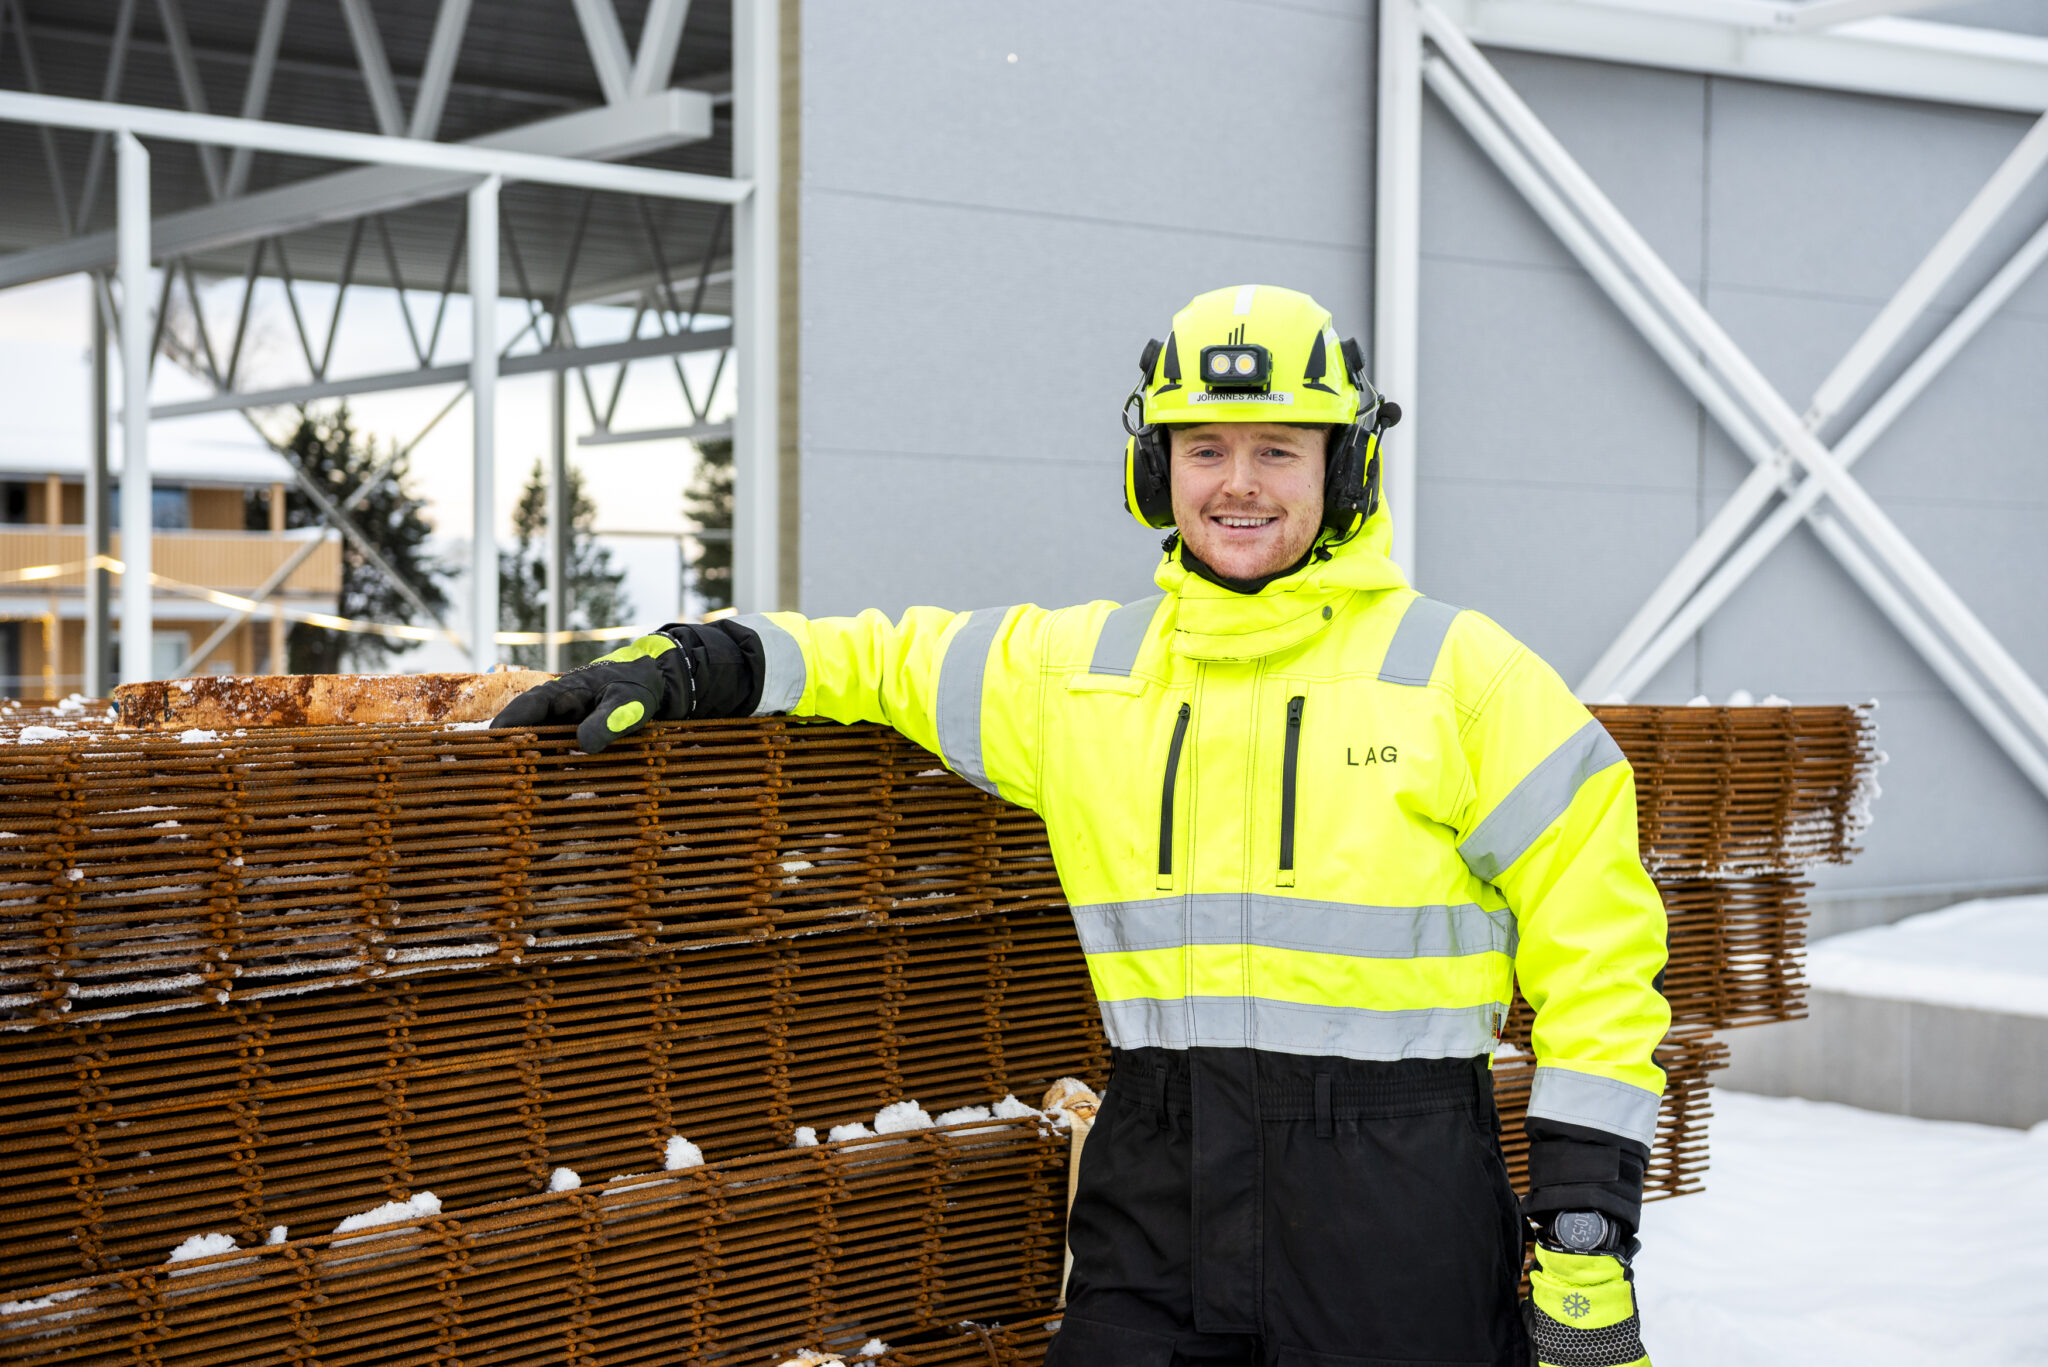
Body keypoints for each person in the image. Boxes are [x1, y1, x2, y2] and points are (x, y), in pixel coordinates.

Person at [493, 285, 1667, 1367]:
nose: (1237, 482)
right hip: (1155, 1186)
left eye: (1277, 449)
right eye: (1202, 448)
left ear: (1345, 468)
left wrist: (1581, 1214)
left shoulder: (1463, 677)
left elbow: (1596, 943)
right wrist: (708, 658)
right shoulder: (1080, 673)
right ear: (1152, 471)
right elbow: (883, 657)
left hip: (1394, 1203)